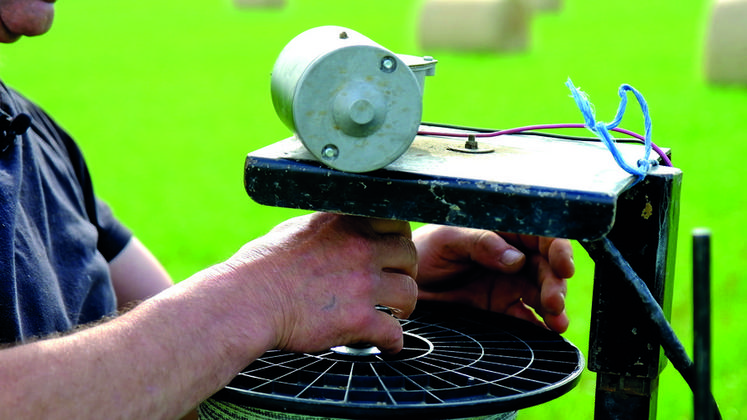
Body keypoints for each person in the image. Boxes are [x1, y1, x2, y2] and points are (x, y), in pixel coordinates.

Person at [0, 1, 574, 419]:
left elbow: (169, 354)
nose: (34, 16)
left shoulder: (35, 135)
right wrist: (262, 295)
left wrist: (379, 282)